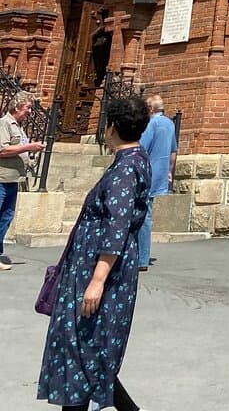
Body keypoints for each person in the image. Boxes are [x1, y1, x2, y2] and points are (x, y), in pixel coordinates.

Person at [37, 95, 151, 410]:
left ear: (112, 127)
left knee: (79, 348)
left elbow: (117, 226)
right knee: (89, 349)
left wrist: (97, 280)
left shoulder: (126, 168)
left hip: (97, 271)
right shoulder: (134, 159)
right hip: (94, 267)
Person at [0, 91, 44, 269]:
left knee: (6, 218)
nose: (30, 112)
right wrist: (29, 146)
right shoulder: (5, 123)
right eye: (28, 108)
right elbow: (2, 150)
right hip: (2, 179)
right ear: (17, 107)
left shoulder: (18, 126)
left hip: (13, 180)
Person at [137, 94, 178, 272]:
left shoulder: (151, 123)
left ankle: (141, 258)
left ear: (151, 108)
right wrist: (169, 171)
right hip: (160, 174)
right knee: (146, 212)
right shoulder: (170, 124)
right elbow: (173, 151)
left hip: (146, 173)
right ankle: (141, 255)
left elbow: (141, 148)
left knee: (141, 214)